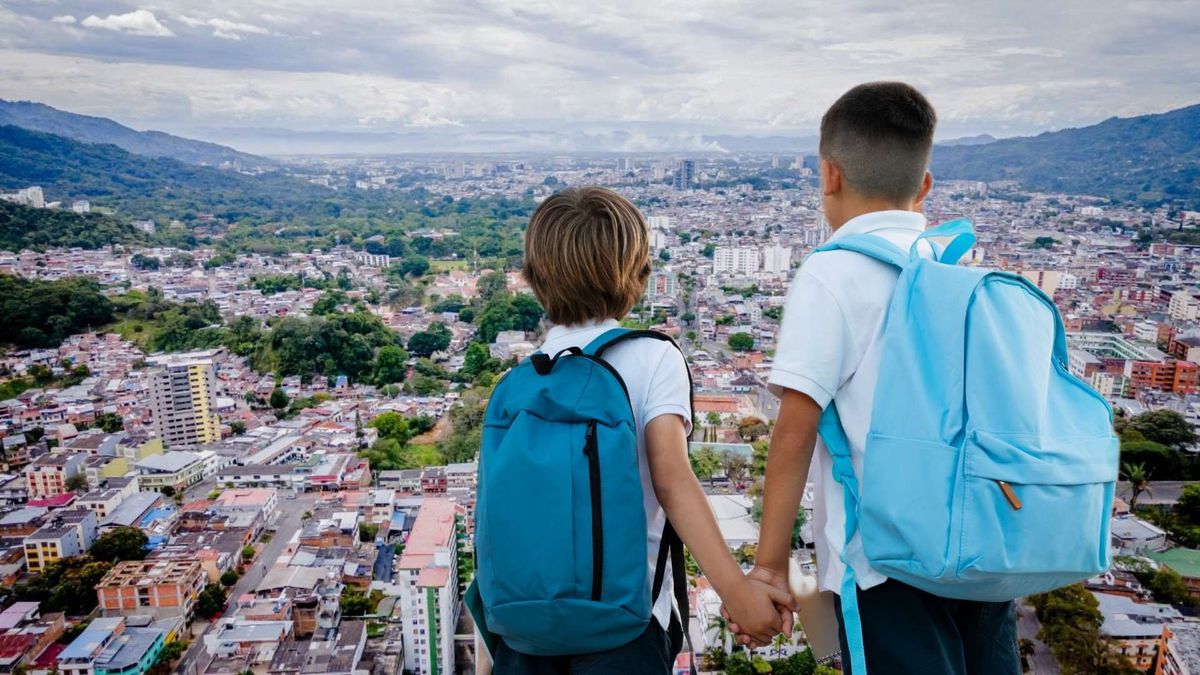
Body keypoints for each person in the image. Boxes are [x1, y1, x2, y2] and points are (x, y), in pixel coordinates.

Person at [729, 82, 1020, 674]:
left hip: (885, 565)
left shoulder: (832, 273)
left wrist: (768, 566)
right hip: (981, 553)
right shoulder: (955, 267)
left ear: (829, 175)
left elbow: (794, 431)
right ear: (925, 185)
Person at [491, 186, 793, 674]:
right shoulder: (652, 356)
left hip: (526, 633)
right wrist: (737, 591)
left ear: (532, 278)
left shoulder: (524, 376)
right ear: (639, 275)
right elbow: (672, 480)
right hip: (626, 626)